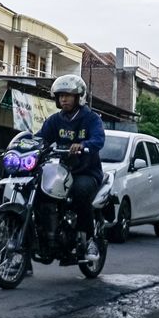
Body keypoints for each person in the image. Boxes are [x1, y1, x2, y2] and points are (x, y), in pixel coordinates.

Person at [37, 73, 105, 262]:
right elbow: (40, 137)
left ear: (78, 97)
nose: (63, 99)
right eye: (60, 96)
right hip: (59, 171)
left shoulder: (91, 118)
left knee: (79, 193)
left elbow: (98, 140)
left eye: (68, 95)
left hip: (85, 172)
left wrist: (83, 145)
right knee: (38, 193)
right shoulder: (54, 120)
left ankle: (90, 240)